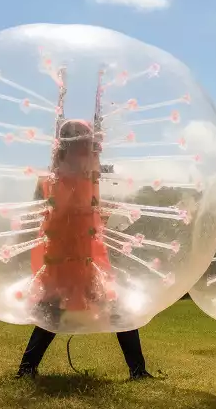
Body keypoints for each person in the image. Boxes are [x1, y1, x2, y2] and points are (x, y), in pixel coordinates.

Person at [16, 119, 152, 379]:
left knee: (107, 309)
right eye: (84, 144)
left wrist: (103, 214)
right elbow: (63, 213)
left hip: (80, 258)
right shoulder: (57, 179)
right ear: (72, 146)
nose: (89, 151)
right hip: (66, 258)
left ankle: (138, 370)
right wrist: (101, 215)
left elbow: (83, 212)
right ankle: (26, 368)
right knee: (57, 312)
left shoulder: (82, 176)